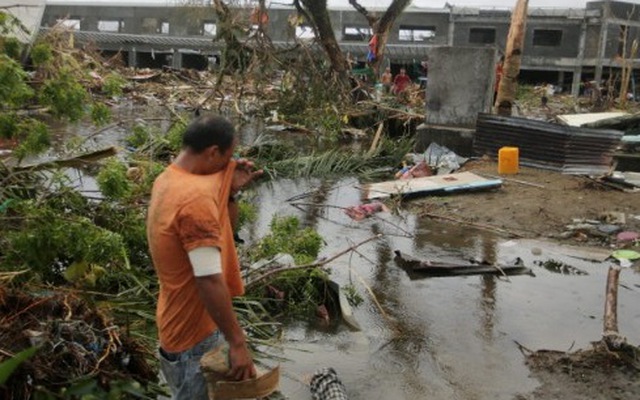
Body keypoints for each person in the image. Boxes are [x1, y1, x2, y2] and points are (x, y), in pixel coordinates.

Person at [147, 115, 262, 399]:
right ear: (213, 153)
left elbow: (226, 232)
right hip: (194, 340)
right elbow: (209, 279)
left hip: (177, 328)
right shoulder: (195, 200)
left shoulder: (169, 178)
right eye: (229, 156)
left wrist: (231, 192)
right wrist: (237, 343)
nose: (231, 163)